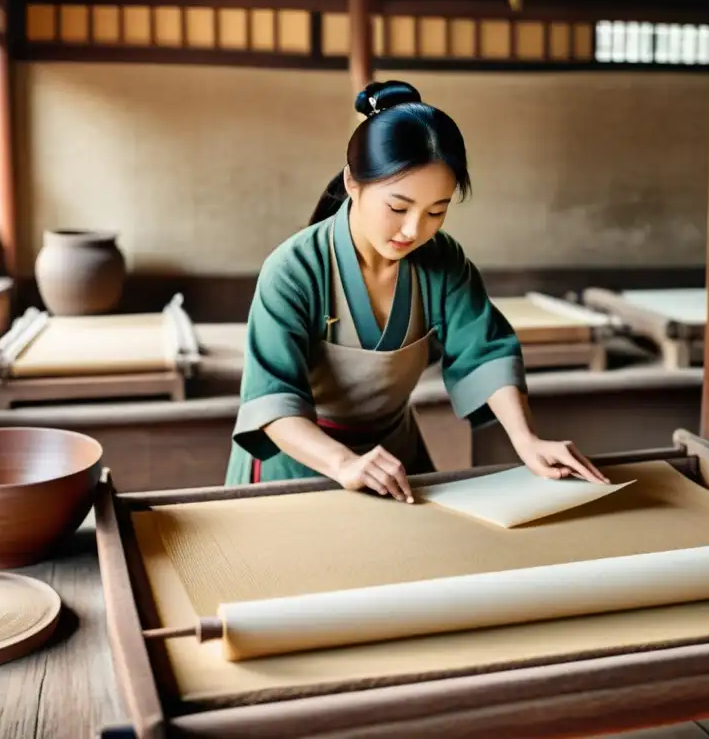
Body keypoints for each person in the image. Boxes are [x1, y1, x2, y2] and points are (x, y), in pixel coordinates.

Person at [225, 79, 609, 500]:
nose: (413, 230)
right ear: (353, 183)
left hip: (393, 451)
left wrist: (527, 440)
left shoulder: (442, 261)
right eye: (398, 207)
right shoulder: (293, 270)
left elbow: (485, 351)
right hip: (301, 460)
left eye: (436, 212)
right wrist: (344, 463)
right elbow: (271, 397)